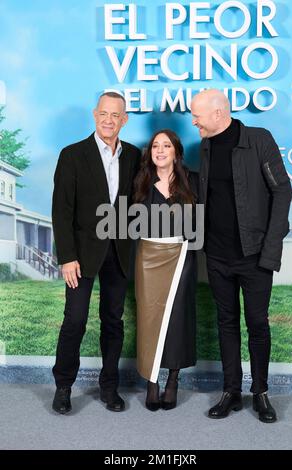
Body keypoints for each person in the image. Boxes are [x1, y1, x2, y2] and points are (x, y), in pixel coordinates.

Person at [191, 89, 292, 423]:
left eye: (198, 116)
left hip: (254, 255)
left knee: (258, 324)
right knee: (226, 323)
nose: (194, 121)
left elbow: (282, 190)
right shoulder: (205, 146)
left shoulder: (258, 139)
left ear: (219, 113)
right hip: (218, 257)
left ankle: (260, 392)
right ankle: (231, 391)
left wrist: (270, 250)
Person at [52, 92, 140, 414]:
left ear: (124, 120)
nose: (108, 120)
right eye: (103, 113)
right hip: (81, 255)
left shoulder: (134, 156)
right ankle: (63, 387)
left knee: (113, 321)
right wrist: (66, 257)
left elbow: (139, 204)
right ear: (94, 115)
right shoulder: (72, 155)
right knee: (74, 321)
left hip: (119, 252)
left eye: (115, 115)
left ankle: (109, 387)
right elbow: (61, 211)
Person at [133, 129, 199, 411]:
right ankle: (152, 382)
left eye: (166, 145)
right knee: (149, 319)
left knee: (177, 319)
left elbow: (200, 223)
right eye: (155, 146)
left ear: (176, 151)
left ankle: (173, 381)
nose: (160, 150)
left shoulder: (192, 181)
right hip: (148, 257)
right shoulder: (140, 181)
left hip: (182, 256)